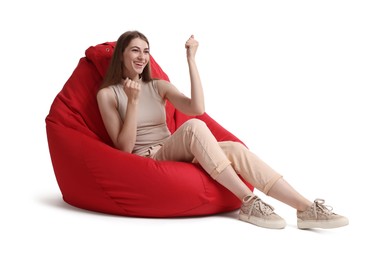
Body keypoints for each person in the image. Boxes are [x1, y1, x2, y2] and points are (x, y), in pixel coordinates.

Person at [96, 30, 349, 229]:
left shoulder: (158, 86)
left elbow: (196, 107)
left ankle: (305, 209)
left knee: (235, 149)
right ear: (121, 55)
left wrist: (191, 60)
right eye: (135, 51)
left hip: (172, 148)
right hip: (147, 157)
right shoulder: (108, 94)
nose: (142, 56)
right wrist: (132, 101)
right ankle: (247, 201)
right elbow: (124, 147)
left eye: (146, 51)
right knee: (194, 127)